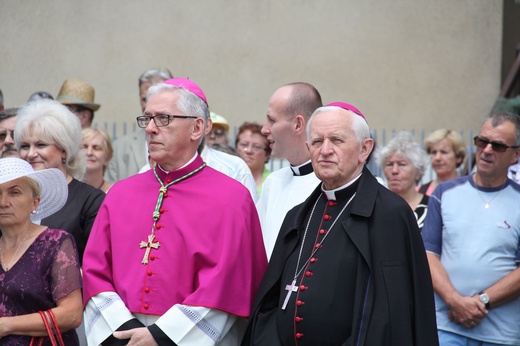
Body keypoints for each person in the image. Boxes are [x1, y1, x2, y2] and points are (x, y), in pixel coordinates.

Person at [82, 78, 267, 346]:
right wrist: (123, 330)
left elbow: (227, 284)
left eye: (164, 119)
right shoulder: (121, 194)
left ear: (197, 128)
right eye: (147, 119)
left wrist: (162, 335)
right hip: (121, 335)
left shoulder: (232, 198)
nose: (151, 129)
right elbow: (95, 271)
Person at [243, 102, 438, 345]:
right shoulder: (297, 215)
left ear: (364, 149)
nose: (325, 150)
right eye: (316, 142)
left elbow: (391, 315)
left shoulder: (390, 214)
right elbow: (271, 299)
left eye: (336, 140)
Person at [422, 111, 520, 345]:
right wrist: (455, 301)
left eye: (497, 146)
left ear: (515, 155)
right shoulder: (444, 194)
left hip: (500, 334)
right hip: (446, 327)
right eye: (482, 141)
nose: (486, 150)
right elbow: (428, 255)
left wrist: (482, 301)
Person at [0, 158, 82, 344]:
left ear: (35, 202)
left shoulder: (56, 242)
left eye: (15, 193)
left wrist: (7, 325)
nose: (4, 202)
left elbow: (72, 314)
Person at [14, 99, 105, 263]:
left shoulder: (91, 201)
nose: (31, 154)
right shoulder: (11, 198)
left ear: (64, 149)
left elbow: (97, 266)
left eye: (41, 145)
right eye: (25, 146)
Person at [256, 82, 322, 258]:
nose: (264, 129)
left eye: (272, 120)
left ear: (298, 124)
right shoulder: (273, 182)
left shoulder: (329, 185)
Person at [106, 68, 173, 183]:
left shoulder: (184, 145)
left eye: (157, 99)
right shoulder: (120, 147)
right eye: (144, 99)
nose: (149, 105)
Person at [376, 131, 430, 230]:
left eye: (402, 164)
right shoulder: (376, 206)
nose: (394, 170)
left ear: (418, 172)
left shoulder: (431, 207)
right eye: (389, 164)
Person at [419, 129, 466, 195]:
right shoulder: (419, 192)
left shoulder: (468, 190)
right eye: (434, 152)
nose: (437, 158)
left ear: (458, 157)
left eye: (444, 152)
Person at [235, 122, 271, 196]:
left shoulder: (273, 182)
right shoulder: (226, 176)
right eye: (244, 145)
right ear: (236, 148)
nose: (249, 151)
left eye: (256, 147)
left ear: (267, 154)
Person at [81, 127, 114, 193]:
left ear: (107, 157)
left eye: (96, 148)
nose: (89, 153)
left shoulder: (114, 193)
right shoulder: (67, 191)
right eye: (84, 147)